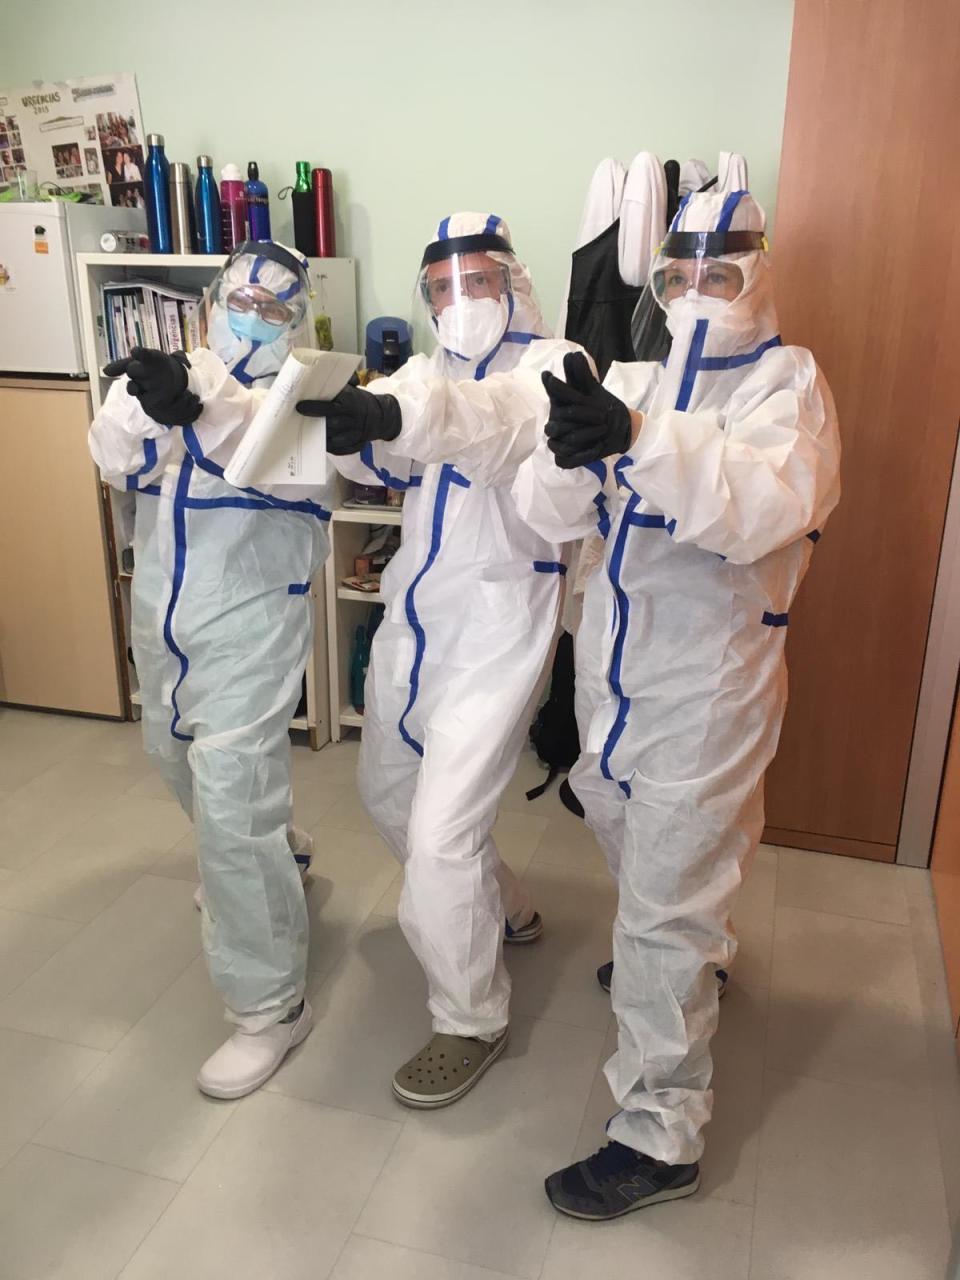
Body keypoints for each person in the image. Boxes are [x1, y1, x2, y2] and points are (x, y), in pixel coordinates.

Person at [511, 188, 841, 1219]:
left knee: (660, 897)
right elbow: (546, 511)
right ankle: (689, 957)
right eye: (683, 272)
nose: (702, 287)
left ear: (761, 270)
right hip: (613, 673)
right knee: (623, 836)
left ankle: (660, 1135)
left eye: (724, 267)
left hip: (708, 683)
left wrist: (640, 439)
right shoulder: (634, 373)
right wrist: (572, 456)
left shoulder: (789, 384)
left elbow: (763, 505)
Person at [297, 212, 584, 1108]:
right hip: (414, 621)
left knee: (441, 829)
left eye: (476, 282)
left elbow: (488, 426)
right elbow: (396, 450)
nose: (457, 303)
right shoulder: (427, 370)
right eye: (439, 290)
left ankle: (471, 1016)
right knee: (388, 794)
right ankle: (504, 908)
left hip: (502, 623)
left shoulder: (555, 367)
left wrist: (398, 411)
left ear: (513, 281)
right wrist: (356, 424)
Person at [89, 241, 336, 1099]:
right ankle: (279, 857)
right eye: (241, 298)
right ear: (213, 297)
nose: (253, 316)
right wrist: (149, 406)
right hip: (165, 616)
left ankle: (270, 1009)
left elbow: (300, 473)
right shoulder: (172, 370)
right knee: (172, 757)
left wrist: (204, 405)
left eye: (274, 307)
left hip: (253, 617)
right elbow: (113, 456)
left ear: (296, 317)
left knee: (230, 796)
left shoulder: (310, 389)